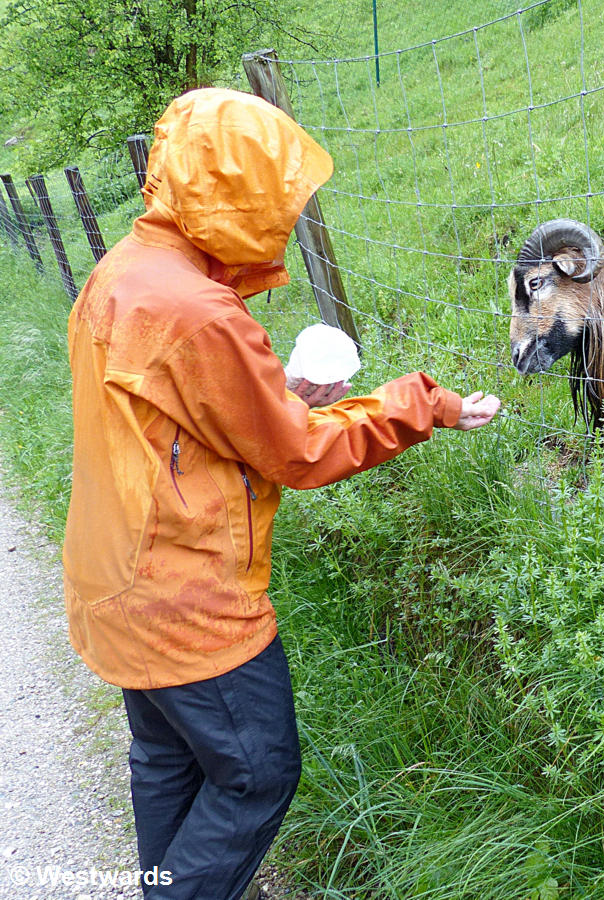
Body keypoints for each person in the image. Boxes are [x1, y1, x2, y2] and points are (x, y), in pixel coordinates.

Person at [62, 87, 500, 899]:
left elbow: (181, 428)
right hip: (188, 603)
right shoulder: (197, 313)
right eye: (274, 194)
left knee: (166, 757)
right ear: (232, 193)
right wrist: (423, 402)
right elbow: (297, 452)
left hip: (118, 581)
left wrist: (273, 400)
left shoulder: (121, 272)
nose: (285, 216)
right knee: (258, 772)